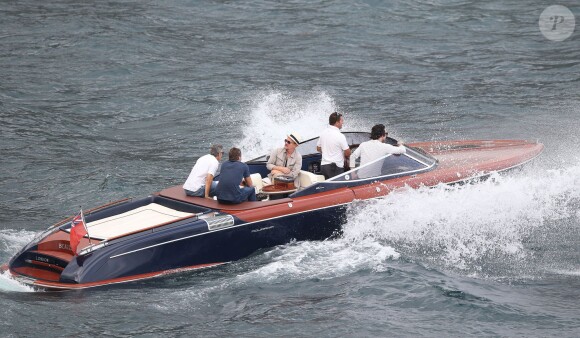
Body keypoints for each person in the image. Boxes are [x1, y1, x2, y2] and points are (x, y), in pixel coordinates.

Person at [316, 112, 351, 179]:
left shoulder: (323, 133)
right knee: (339, 188)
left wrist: (327, 151)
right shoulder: (340, 136)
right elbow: (348, 153)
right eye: (341, 121)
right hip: (335, 168)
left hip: (324, 167)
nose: (342, 122)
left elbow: (318, 148)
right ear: (337, 123)